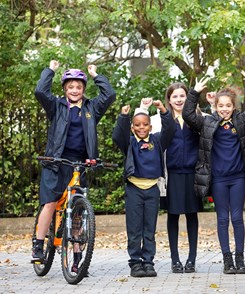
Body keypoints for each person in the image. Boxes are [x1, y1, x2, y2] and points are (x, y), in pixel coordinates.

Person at [32, 60, 116, 268]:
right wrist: (50, 70)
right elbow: (40, 91)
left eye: (79, 87)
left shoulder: (91, 108)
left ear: (83, 89)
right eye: (70, 86)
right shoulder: (57, 106)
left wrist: (96, 75)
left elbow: (109, 96)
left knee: (78, 210)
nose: (75, 90)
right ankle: (38, 244)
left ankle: (78, 256)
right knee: (50, 203)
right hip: (56, 161)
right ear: (65, 89)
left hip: (79, 163)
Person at [182, 77, 245, 275]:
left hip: (237, 179)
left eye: (228, 105)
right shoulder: (208, 123)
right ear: (215, 107)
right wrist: (194, 92)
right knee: (222, 219)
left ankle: (240, 259)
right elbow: (188, 115)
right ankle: (227, 259)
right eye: (221, 105)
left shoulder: (241, 121)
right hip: (218, 179)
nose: (224, 109)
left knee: (237, 218)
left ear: (234, 107)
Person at [112, 99, 175, 278]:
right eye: (137, 125)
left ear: (150, 126)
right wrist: (124, 117)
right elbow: (118, 136)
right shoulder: (130, 143)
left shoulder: (157, 140)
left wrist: (163, 110)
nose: (141, 128)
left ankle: (148, 262)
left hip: (152, 190)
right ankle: (135, 264)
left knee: (149, 229)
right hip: (134, 190)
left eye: (145, 125)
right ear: (132, 128)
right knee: (134, 230)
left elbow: (170, 130)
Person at [150, 82, 204, 273]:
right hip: (171, 174)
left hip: (192, 174)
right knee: (173, 216)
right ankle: (175, 259)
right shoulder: (160, 120)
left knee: (192, 215)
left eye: (182, 96)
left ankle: (191, 259)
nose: (179, 99)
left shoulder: (197, 118)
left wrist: (213, 105)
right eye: (175, 96)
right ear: (169, 100)